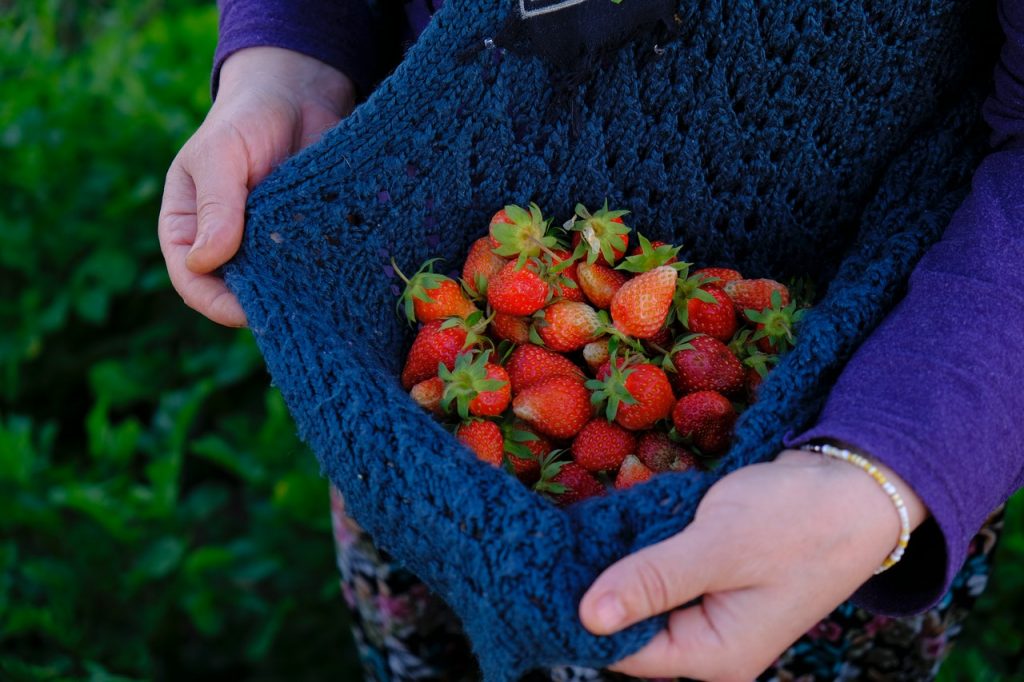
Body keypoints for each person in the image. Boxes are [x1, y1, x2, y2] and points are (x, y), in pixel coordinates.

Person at [158, 1, 1024, 680]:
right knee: (444, 603)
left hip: (854, 432)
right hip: (419, 355)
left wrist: (882, 471)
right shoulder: (479, 372)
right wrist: (292, 60)